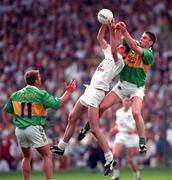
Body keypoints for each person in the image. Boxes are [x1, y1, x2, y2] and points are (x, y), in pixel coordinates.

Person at [50, 22, 130, 176]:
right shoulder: (110, 54)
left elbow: (113, 49)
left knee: (94, 129)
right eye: (120, 46)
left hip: (98, 92)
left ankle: (110, 158)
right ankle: (61, 146)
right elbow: (99, 38)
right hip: (90, 89)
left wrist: (113, 32)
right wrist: (105, 25)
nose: (120, 47)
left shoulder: (119, 61)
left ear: (125, 53)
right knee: (72, 117)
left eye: (123, 48)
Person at [78, 21, 157, 154]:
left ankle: (142, 143)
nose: (141, 39)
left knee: (136, 113)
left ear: (150, 43)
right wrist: (116, 28)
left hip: (137, 88)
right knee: (101, 107)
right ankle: (86, 128)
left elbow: (134, 47)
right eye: (142, 37)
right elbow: (121, 39)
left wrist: (125, 31)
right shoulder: (135, 43)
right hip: (122, 85)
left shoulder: (148, 54)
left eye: (145, 38)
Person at [3, 70, 76, 180]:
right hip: (34, 127)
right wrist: (69, 92)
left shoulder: (16, 95)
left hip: (19, 129)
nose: (41, 79)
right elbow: (58, 104)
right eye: (39, 77)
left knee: (26, 157)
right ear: (36, 81)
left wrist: (21, 116)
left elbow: (7, 109)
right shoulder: (40, 94)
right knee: (47, 155)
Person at [110, 97, 140, 180]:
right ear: (122, 101)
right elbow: (118, 125)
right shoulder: (118, 112)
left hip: (131, 137)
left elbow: (138, 125)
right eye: (125, 100)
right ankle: (116, 176)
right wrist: (114, 128)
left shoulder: (134, 112)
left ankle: (137, 176)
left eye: (128, 101)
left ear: (130, 102)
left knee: (130, 159)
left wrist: (134, 130)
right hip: (121, 134)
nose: (126, 102)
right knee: (114, 155)